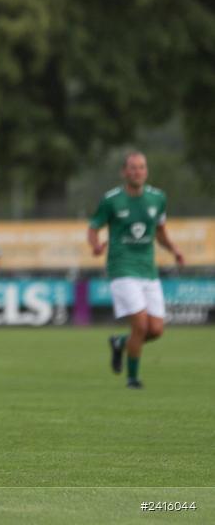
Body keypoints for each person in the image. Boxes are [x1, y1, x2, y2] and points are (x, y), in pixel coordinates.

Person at [88, 151, 184, 389]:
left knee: (156, 330)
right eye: (132, 167)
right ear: (124, 172)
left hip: (148, 270)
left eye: (141, 167)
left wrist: (174, 250)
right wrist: (96, 245)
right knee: (140, 326)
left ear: (146, 171)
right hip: (122, 267)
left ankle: (120, 343)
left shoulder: (158, 198)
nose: (137, 171)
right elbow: (93, 228)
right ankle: (133, 379)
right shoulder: (111, 200)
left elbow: (160, 232)